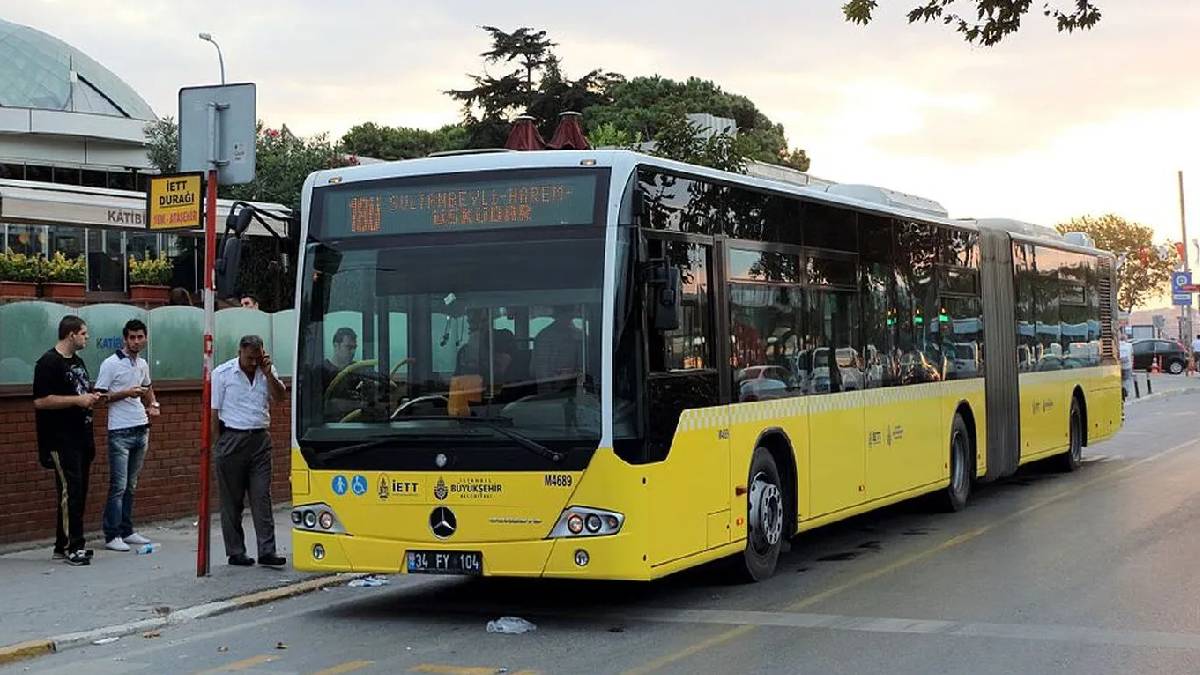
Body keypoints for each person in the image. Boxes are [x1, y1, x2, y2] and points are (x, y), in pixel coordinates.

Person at [211, 335, 287, 568]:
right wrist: (219, 444)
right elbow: (214, 412)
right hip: (233, 437)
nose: (253, 362)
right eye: (250, 358)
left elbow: (280, 397)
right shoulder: (222, 374)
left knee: (262, 496)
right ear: (240, 352)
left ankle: (267, 550)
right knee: (232, 501)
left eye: (258, 357)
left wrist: (267, 373)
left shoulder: (267, 371)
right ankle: (236, 551)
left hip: (260, 439)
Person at [33, 315, 101, 566]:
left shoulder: (78, 361)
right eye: (84, 333)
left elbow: (79, 390)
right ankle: (75, 546)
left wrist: (90, 397)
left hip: (82, 435)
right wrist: (77, 401)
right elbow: (41, 400)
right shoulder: (48, 362)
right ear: (71, 334)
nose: (87, 337)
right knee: (69, 490)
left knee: (79, 490)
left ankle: (62, 545)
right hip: (60, 439)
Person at [94, 319, 160, 552]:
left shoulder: (142, 363)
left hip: (141, 428)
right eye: (131, 337)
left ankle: (127, 530)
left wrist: (153, 403)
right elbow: (99, 397)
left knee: (131, 485)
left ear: (145, 338)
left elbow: (148, 386)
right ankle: (112, 535)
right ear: (125, 339)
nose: (135, 341)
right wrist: (126, 393)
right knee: (118, 486)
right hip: (119, 432)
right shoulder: (110, 364)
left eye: (139, 337)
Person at [532, 305, 583, 392]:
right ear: (557, 314)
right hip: (553, 384)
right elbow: (541, 367)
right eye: (564, 313)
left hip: (576, 383)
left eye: (570, 314)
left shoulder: (579, 335)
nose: (568, 318)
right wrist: (547, 390)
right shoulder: (544, 337)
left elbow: (586, 360)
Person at [321, 327, 359, 391]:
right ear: (336, 346)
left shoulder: (357, 369)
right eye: (348, 347)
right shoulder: (322, 371)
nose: (353, 352)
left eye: (354, 347)